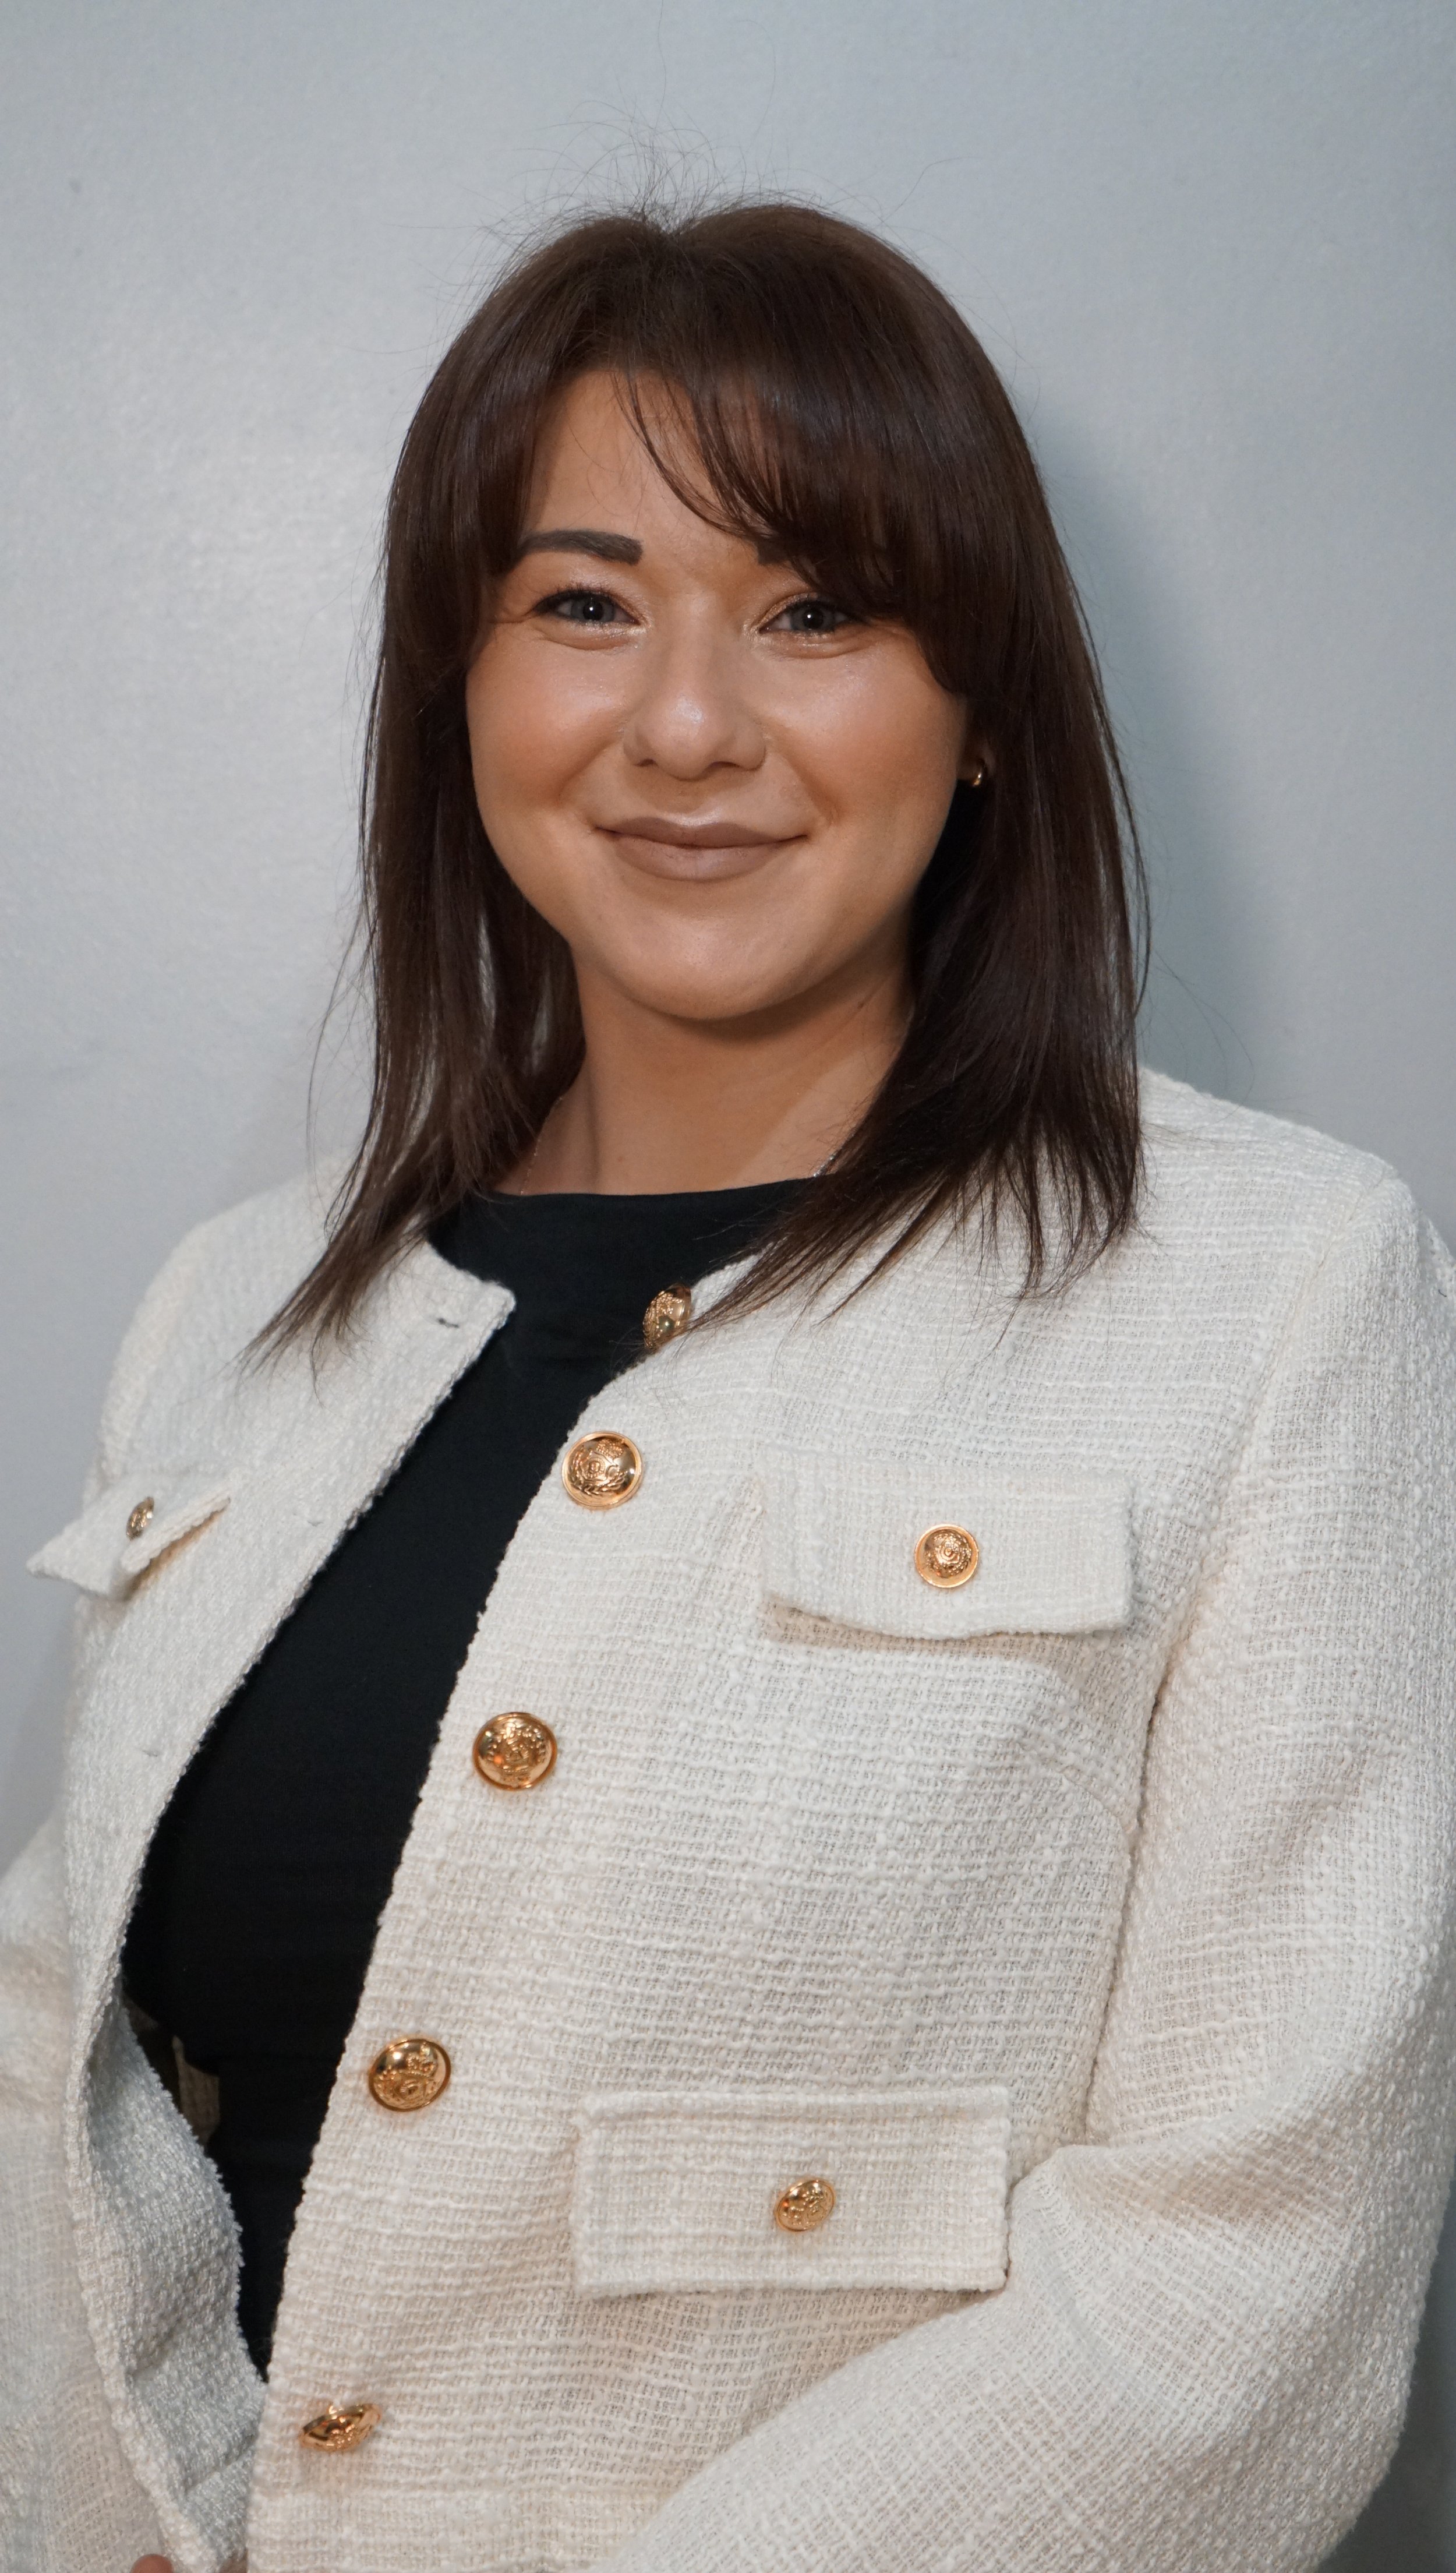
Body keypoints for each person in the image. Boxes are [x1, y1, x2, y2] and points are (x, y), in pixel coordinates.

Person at [2, 196, 1454, 2573]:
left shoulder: (1279, 1288)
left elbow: (1244, 2280)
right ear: (456, 685)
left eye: (816, 610)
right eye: (582, 605)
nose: (687, 724)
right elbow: (57, 2082)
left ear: (977, 700)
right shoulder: (237, 1308)